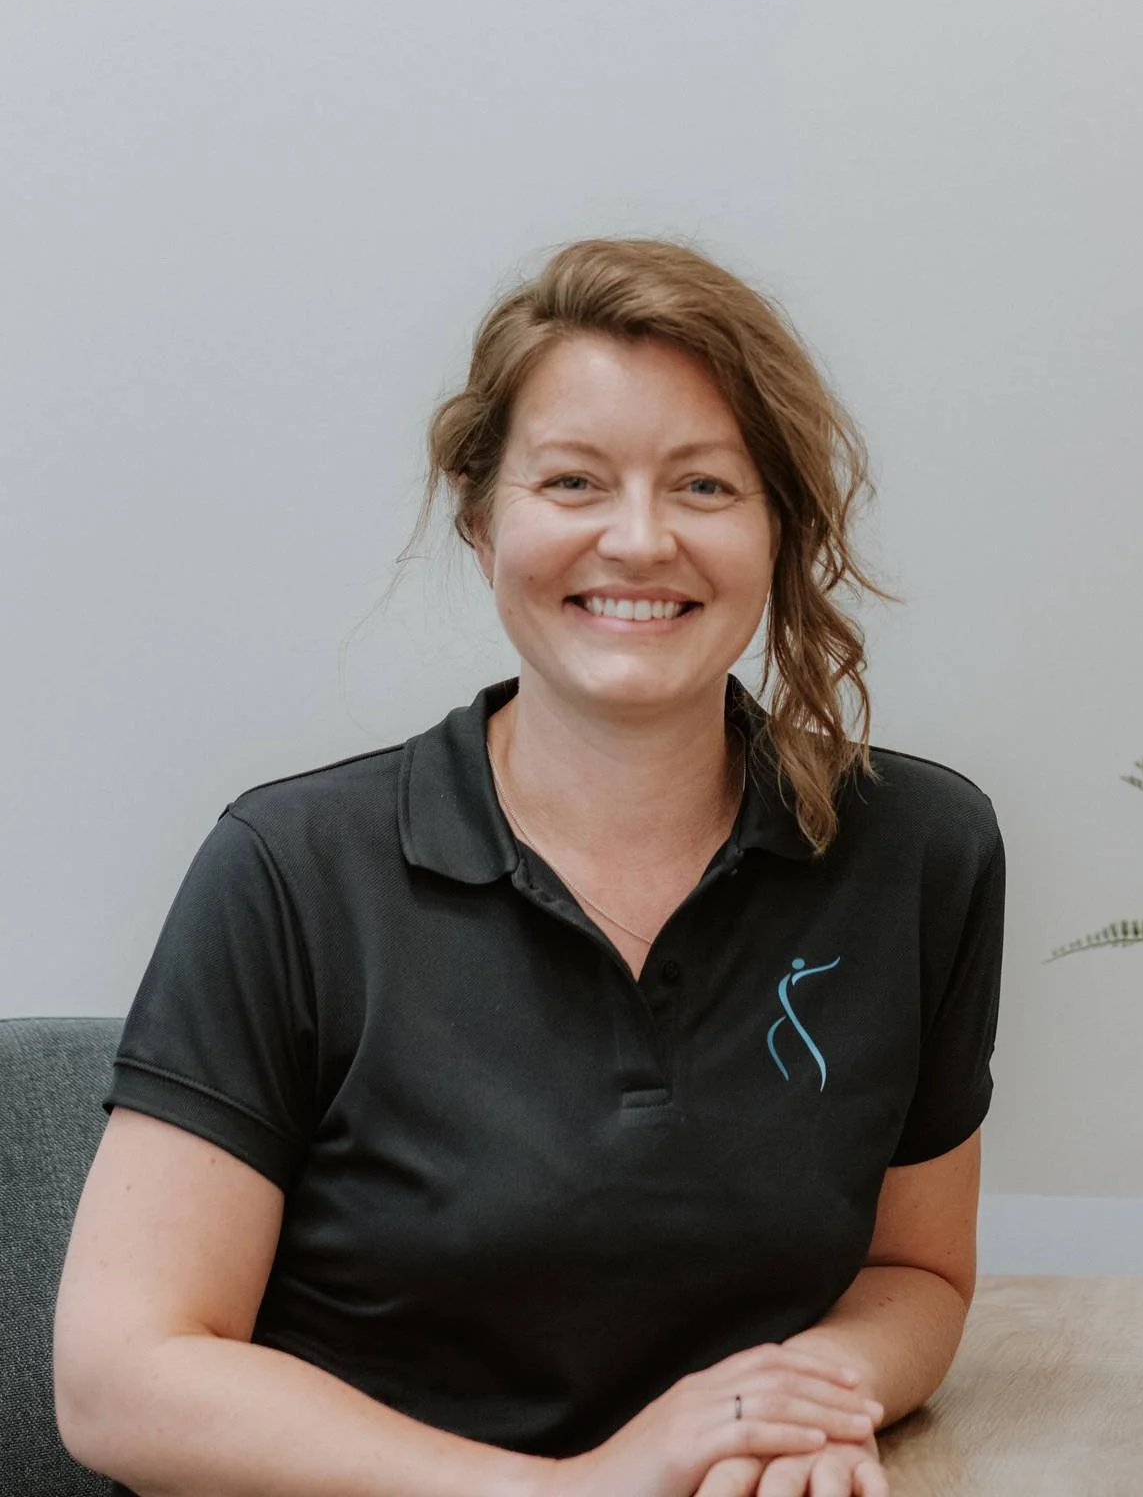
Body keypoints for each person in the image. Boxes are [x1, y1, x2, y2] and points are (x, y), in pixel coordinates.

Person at [54, 238, 1006, 1497]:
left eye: (707, 487)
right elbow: (121, 1378)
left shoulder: (920, 853)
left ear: (779, 525)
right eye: (572, 481)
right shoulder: (288, 872)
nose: (639, 539)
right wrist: (570, 1493)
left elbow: (914, 1275)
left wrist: (781, 1405)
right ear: (480, 514)